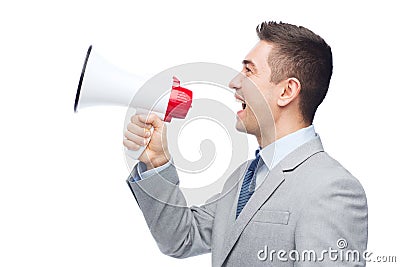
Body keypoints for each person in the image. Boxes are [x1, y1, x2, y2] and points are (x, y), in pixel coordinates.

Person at [123, 21, 368, 266]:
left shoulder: (332, 189)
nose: (234, 82)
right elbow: (181, 239)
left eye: (249, 71)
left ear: (287, 91)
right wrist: (157, 162)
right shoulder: (243, 178)